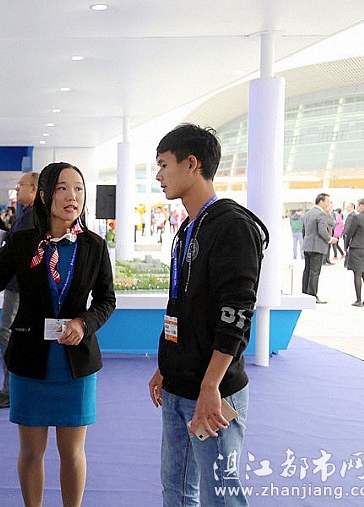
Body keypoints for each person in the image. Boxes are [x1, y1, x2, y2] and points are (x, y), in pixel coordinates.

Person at [0, 162, 115, 507]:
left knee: (73, 452)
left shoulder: (94, 245)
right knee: (32, 452)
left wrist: (83, 323)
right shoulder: (22, 242)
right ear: (45, 195)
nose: (72, 196)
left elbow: (107, 300)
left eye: (78, 188)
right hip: (30, 359)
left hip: (75, 364)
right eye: (62, 188)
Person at [148, 124, 269, 507]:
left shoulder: (233, 226)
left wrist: (209, 386)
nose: (159, 175)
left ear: (191, 164)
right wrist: (167, 363)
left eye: (164, 164)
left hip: (212, 392)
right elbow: (182, 306)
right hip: (179, 386)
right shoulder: (188, 228)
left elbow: (237, 315)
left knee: (221, 496)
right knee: (176, 490)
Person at [0, 172, 38, 409]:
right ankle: (13, 387)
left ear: (34, 189)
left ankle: (12, 389)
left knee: (6, 334)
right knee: (10, 334)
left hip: (18, 286)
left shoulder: (33, 218)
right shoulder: (28, 215)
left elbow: (17, 253)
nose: (17, 188)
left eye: (21, 185)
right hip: (17, 285)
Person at [302, 193, 337, 303]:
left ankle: (305, 293)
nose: (328, 204)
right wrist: (329, 239)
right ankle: (313, 295)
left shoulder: (308, 213)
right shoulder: (321, 214)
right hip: (317, 246)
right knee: (315, 272)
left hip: (307, 245)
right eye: (327, 201)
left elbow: (304, 230)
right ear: (321, 201)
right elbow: (322, 230)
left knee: (307, 270)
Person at [342, 198, 364, 307]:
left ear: (361, 206)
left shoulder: (357, 217)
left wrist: (346, 246)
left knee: (357, 274)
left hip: (357, 248)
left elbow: (350, 233)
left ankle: (358, 300)